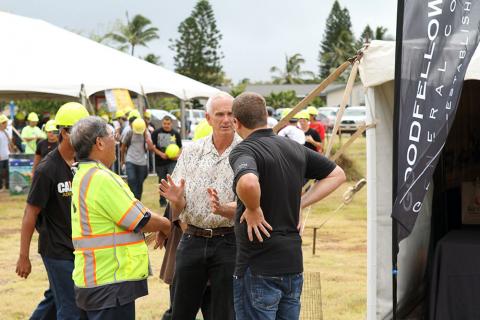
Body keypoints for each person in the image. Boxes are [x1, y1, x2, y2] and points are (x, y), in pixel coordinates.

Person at [229, 92, 346, 319]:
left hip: (258, 266)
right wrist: (301, 202)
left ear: (236, 122)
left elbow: (249, 182)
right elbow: (337, 175)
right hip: (292, 266)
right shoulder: (294, 148)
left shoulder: (245, 150)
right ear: (265, 116)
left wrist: (253, 208)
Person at [69, 116, 171, 319]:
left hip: (93, 278)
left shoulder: (82, 174)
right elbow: (141, 220)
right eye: (112, 136)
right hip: (109, 282)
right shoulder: (101, 178)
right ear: (99, 142)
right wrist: (167, 225)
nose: (115, 142)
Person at [159, 92, 240, 320]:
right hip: (192, 239)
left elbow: (253, 202)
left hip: (229, 241)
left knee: (224, 313)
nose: (225, 119)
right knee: (181, 311)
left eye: (230, 114)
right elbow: (181, 204)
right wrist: (176, 199)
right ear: (208, 118)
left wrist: (225, 208)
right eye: (220, 114)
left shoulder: (247, 151)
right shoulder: (192, 151)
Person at [15, 102, 90, 320]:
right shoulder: (47, 169)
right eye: (81, 132)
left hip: (79, 249)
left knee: (54, 299)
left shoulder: (84, 164)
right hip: (56, 250)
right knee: (72, 310)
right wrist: (23, 257)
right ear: (64, 132)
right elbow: (30, 214)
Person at [121, 117, 154, 200]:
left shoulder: (146, 133)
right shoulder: (130, 133)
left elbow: (150, 148)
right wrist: (122, 161)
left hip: (142, 162)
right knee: (131, 179)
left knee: (139, 183)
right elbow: (123, 146)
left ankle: (137, 200)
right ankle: (132, 199)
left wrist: (147, 138)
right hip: (130, 160)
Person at [151, 116, 182, 207]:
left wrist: (177, 156)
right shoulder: (156, 133)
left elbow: (180, 147)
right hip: (160, 162)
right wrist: (160, 154)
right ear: (162, 123)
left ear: (171, 124)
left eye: (168, 124)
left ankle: (172, 201)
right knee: (162, 181)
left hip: (172, 162)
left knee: (172, 180)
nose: (166, 125)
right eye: (164, 123)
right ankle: (162, 201)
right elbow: (152, 147)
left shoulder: (175, 134)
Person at [0, 114, 14, 192]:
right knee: (1, 173)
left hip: (7, 155)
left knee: (8, 172)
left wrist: (11, 151)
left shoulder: (7, 132)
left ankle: (8, 187)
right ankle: (1, 187)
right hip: (1, 156)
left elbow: (9, 144)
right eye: (4, 123)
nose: (6, 125)